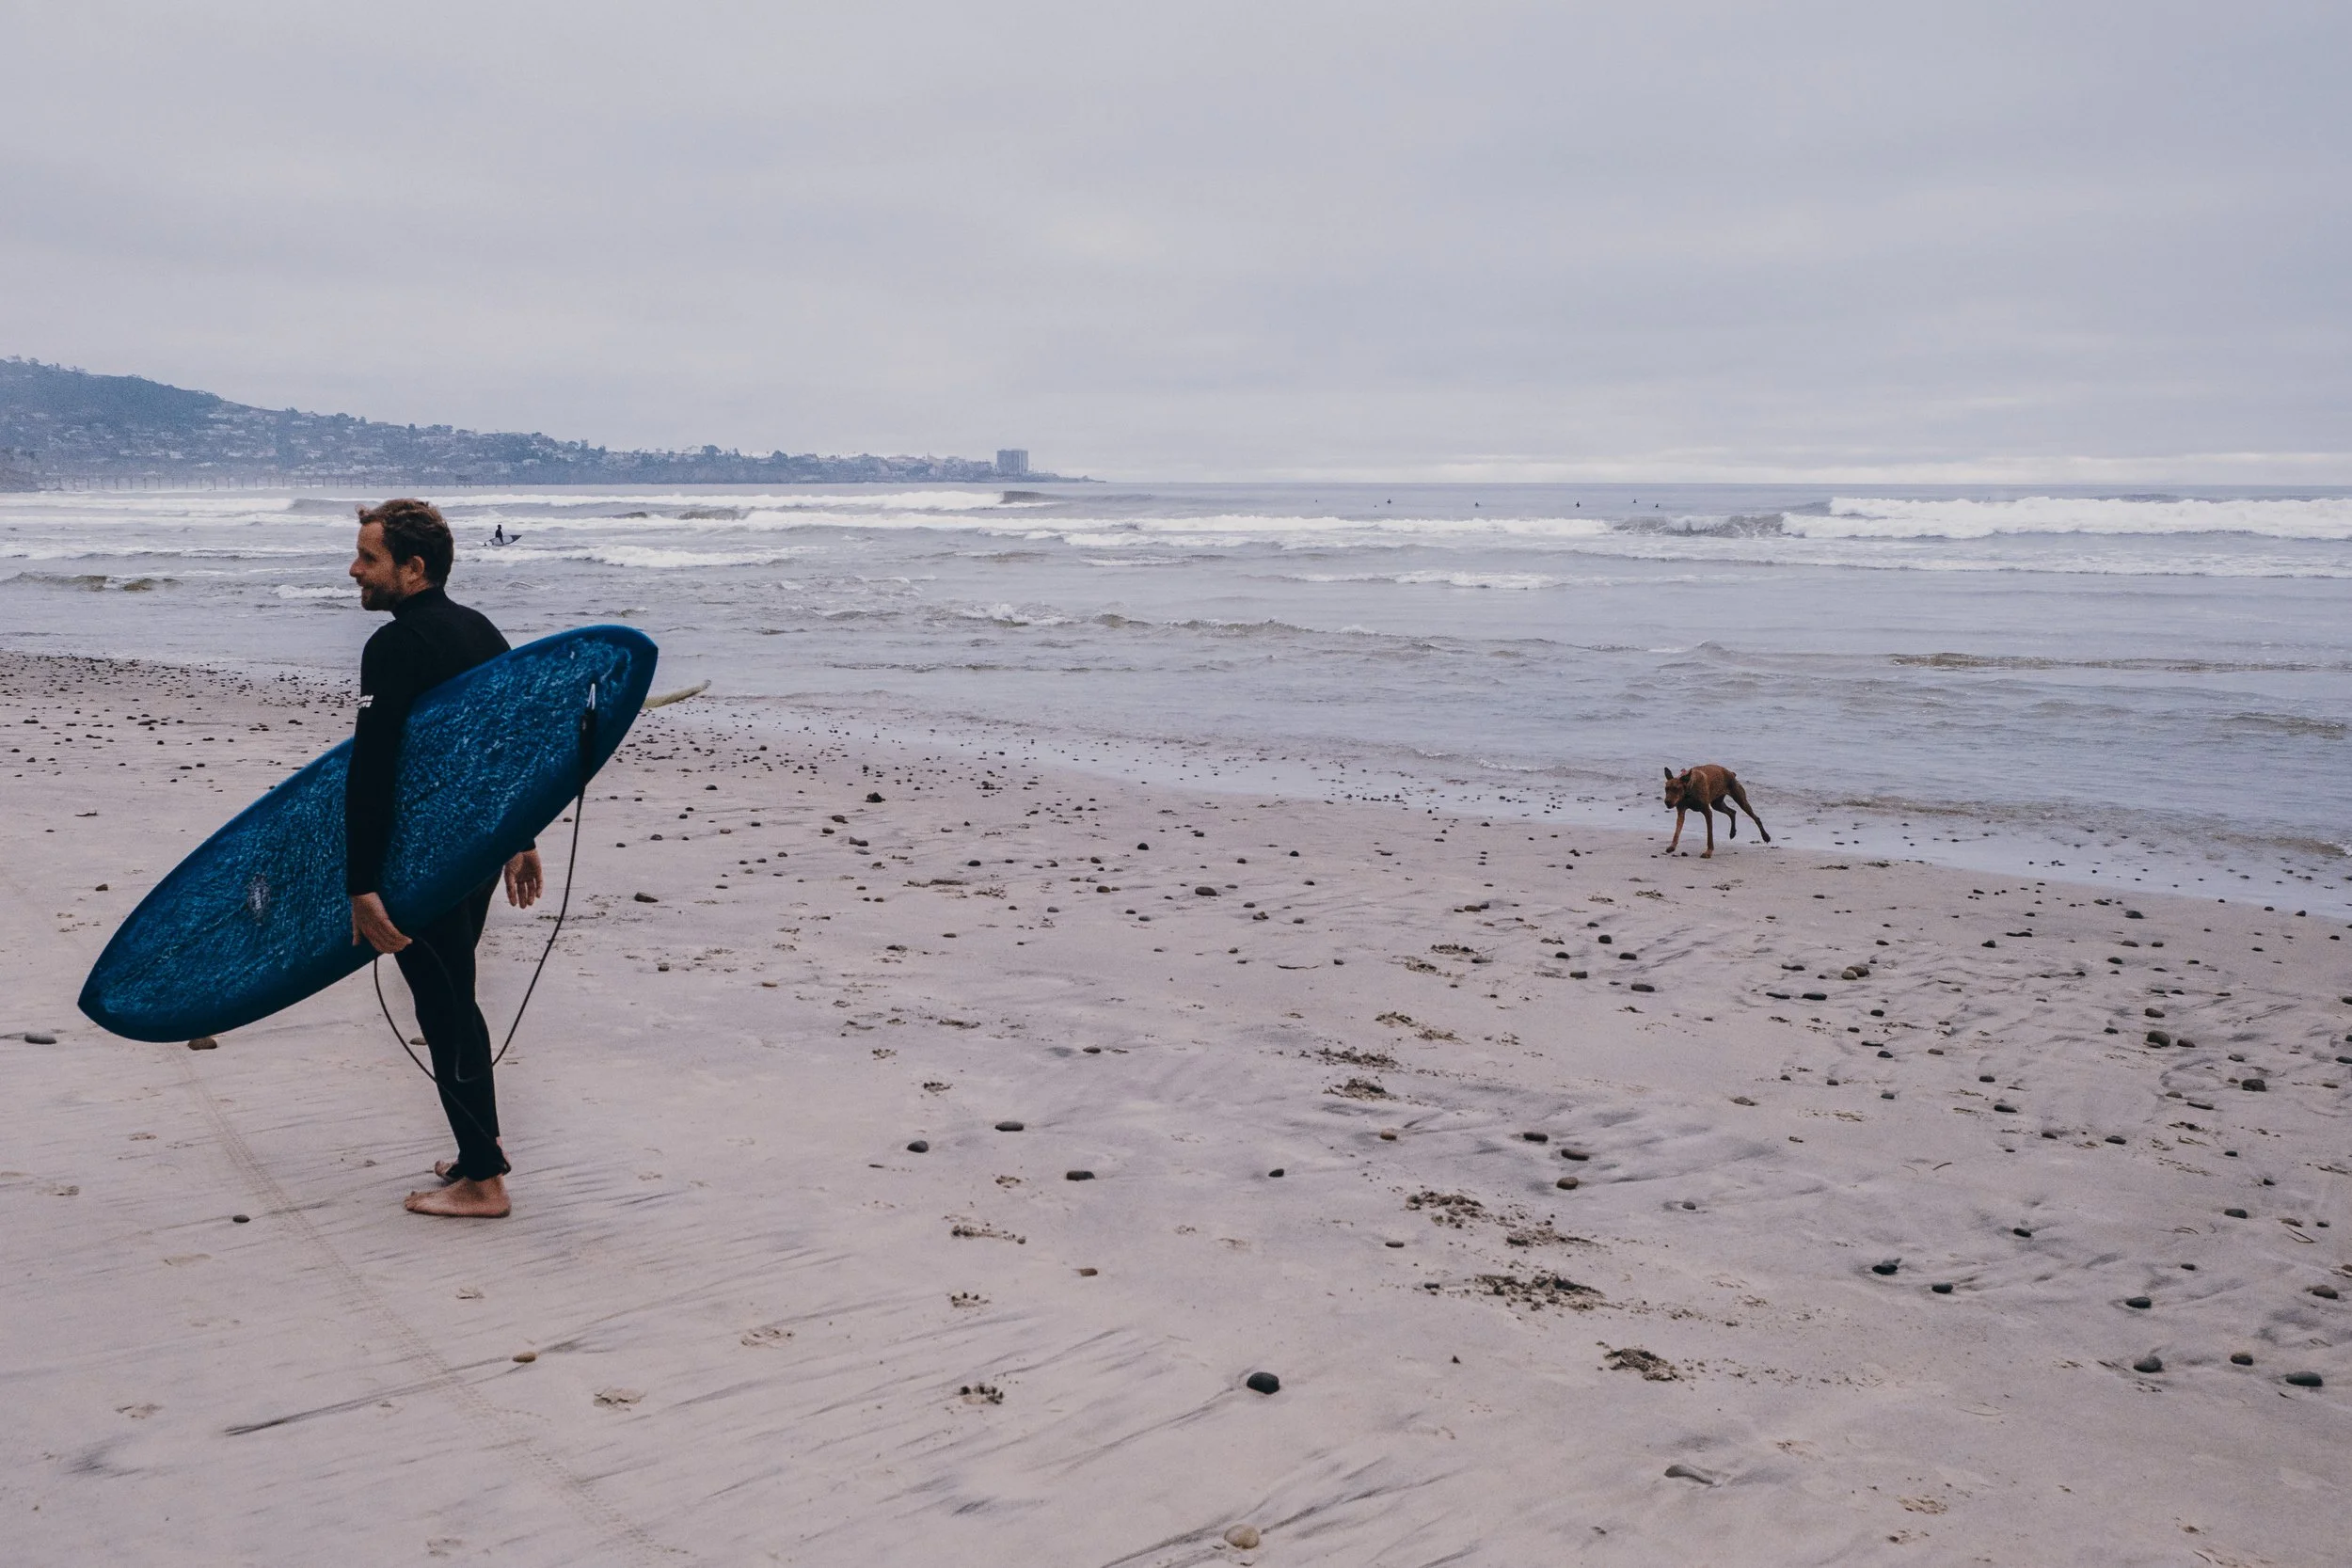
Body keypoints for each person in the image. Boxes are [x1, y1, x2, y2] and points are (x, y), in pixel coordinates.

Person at [345, 498, 542, 1218]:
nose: (355, 569)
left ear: (413, 568)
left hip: (421, 862)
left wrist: (361, 882)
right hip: (476, 852)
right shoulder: (481, 631)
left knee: (445, 1003)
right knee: (454, 993)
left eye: (369, 558)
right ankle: (478, 1145)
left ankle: (484, 1181)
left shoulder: (394, 647)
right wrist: (520, 838)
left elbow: (372, 772)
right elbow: (514, 752)